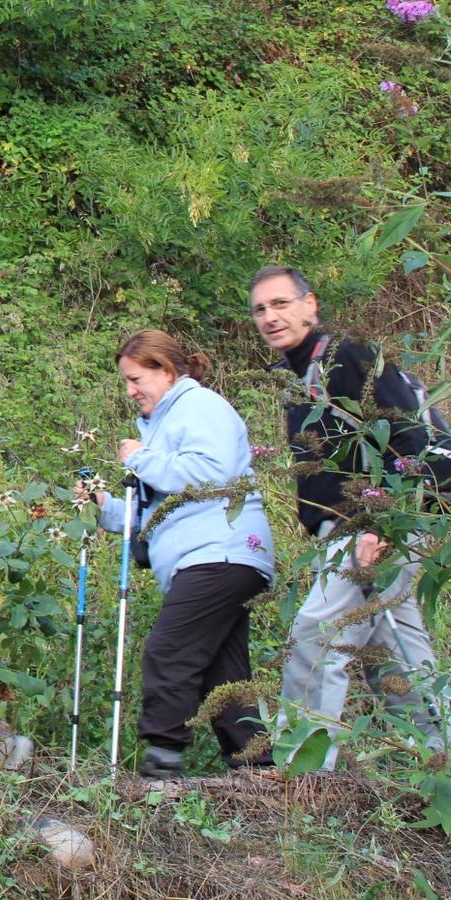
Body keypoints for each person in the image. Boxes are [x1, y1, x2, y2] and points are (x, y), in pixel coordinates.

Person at [250, 265, 448, 768]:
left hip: (374, 527)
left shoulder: (346, 358)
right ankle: (436, 761)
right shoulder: (300, 374)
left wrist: (380, 529)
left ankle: (305, 771)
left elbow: (410, 440)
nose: (270, 317)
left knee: (317, 633)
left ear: (310, 305)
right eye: (260, 309)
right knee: (396, 657)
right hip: (357, 530)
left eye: (281, 304)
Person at [83, 330, 275, 777]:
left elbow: (211, 473)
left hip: (220, 552)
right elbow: (158, 513)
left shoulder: (200, 406)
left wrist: (141, 459)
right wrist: (103, 508)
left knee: (169, 651)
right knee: (224, 674)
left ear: (166, 371)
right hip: (213, 555)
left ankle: (161, 765)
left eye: (135, 379)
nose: (130, 391)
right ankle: (259, 771)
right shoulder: (162, 424)